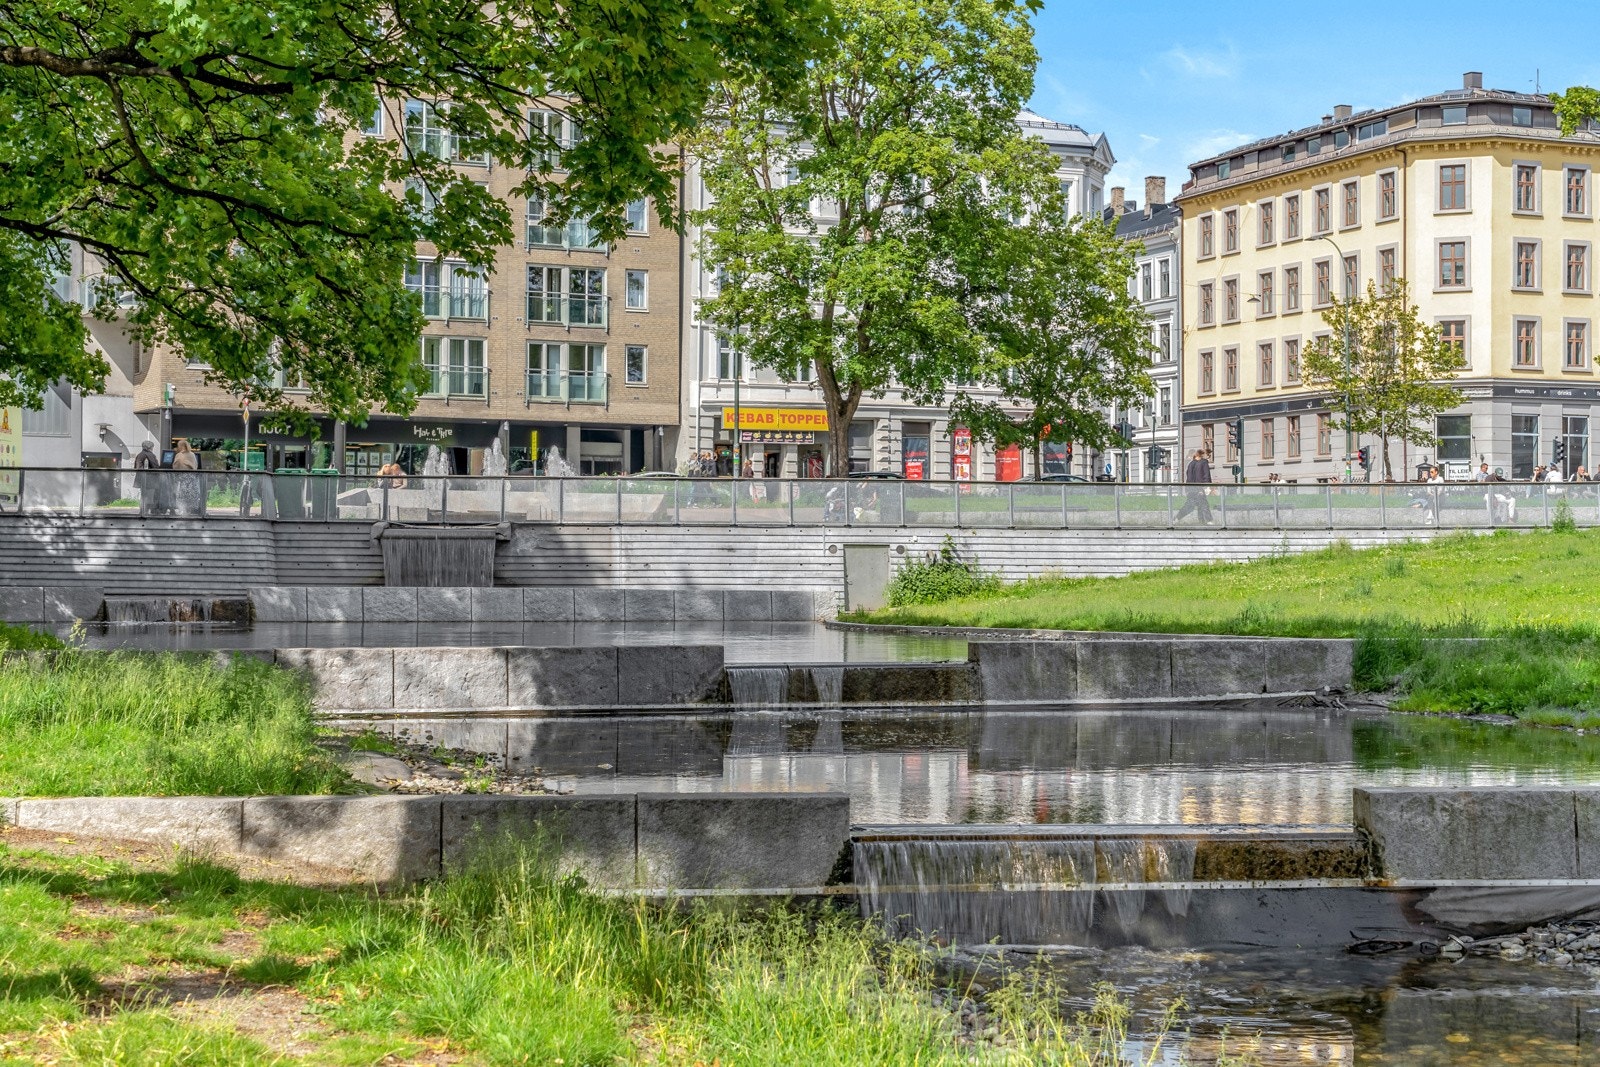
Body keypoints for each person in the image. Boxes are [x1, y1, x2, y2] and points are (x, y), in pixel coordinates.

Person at [1174, 449, 1213, 524]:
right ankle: (1208, 521)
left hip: (1191, 489)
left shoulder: (1191, 464)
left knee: (1190, 506)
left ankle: (1177, 518)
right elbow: (1206, 475)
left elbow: (1189, 477)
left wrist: (1188, 490)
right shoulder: (1204, 462)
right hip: (1200, 488)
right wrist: (1205, 487)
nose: (1208, 457)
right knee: (1204, 505)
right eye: (1208, 455)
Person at [170, 439, 202, 516]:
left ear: (181, 446)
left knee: (181, 494)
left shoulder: (179, 455)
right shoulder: (192, 454)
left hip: (182, 477)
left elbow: (175, 466)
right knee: (190, 494)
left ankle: (183, 510)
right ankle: (189, 510)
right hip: (191, 477)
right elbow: (195, 466)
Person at [133, 440, 158, 515]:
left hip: (141, 479)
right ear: (150, 447)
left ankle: (142, 511)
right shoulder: (149, 454)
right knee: (149, 496)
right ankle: (147, 511)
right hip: (149, 479)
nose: (153, 448)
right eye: (152, 447)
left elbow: (136, 467)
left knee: (143, 496)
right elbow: (155, 466)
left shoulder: (140, 454)